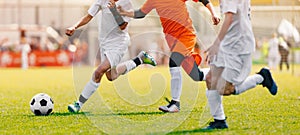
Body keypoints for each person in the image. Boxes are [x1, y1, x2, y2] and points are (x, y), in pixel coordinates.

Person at [119, 0, 220, 113]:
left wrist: (213, 13)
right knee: (197, 76)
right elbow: (141, 13)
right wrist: (125, 12)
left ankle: (175, 104)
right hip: (173, 41)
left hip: (186, 35)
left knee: (174, 61)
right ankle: (219, 73)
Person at [66, 0, 157, 113]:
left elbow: (123, 26)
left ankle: (78, 104)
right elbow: (89, 16)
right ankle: (140, 59)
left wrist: (114, 11)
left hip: (118, 42)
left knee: (98, 72)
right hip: (104, 42)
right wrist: (74, 27)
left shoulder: (126, 3)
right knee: (111, 76)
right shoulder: (101, 1)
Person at [204, 0, 278, 130]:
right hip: (227, 44)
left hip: (239, 46)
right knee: (210, 79)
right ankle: (219, 121)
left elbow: (229, 18)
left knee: (224, 89)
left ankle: (261, 77)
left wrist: (216, 44)